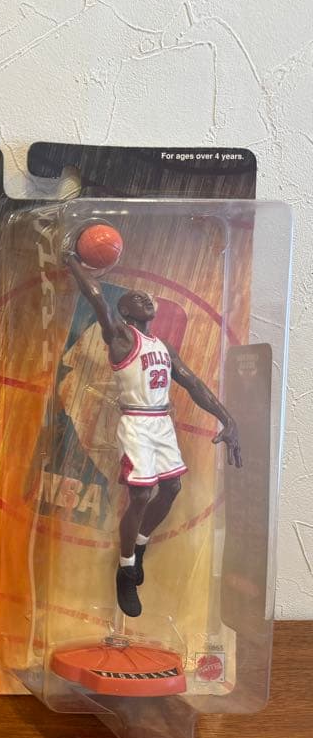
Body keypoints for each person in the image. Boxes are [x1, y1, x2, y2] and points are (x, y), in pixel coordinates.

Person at [63, 240, 240, 617]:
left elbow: (194, 384)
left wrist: (228, 418)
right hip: (137, 422)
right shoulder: (121, 336)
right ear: (124, 310)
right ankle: (125, 570)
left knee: (172, 488)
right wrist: (73, 261)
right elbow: (96, 297)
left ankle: (140, 543)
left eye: (146, 296)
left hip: (162, 422)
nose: (143, 297)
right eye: (134, 297)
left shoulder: (164, 347)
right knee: (141, 496)